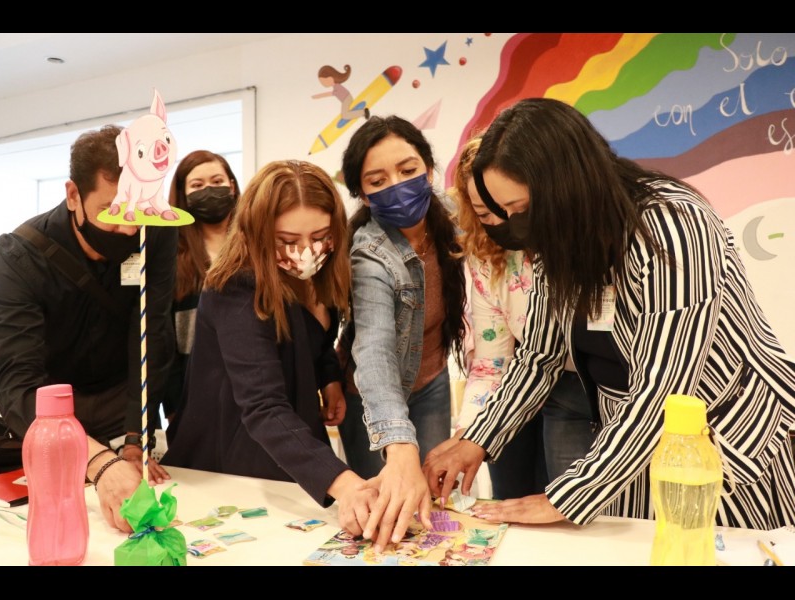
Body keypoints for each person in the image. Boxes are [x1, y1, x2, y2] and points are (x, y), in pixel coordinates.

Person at [424, 98, 795, 530]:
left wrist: (567, 496)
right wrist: (478, 437)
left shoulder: (673, 228)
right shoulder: (559, 237)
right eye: (504, 213)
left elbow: (662, 390)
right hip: (631, 444)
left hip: (722, 442)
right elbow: (540, 356)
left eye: (522, 209)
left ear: (567, 183)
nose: (516, 226)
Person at [161, 160, 375, 534]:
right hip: (235, 456)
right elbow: (262, 406)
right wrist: (345, 484)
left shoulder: (317, 272)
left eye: (320, 236)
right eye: (288, 241)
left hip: (293, 437)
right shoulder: (236, 287)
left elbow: (316, 339)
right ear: (258, 232)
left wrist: (329, 379)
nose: (306, 251)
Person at [0, 125, 177, 532]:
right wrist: (99, 462)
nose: (128, 229)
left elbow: (150, 333)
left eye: (137, 211)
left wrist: (135, 438)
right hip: (52, 406)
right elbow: (16, 384)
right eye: (112, 211)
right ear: (74, 195)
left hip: (120, 401)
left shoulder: (156, 233)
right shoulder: (16, 259)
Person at [428, 135, 594, 500]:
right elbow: (492, 362)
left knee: (567, 500)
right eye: (485, 214)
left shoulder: (570, 241)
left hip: (580, 387)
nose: (503, 222)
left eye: (511, 207)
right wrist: (468, 433)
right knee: (509, 498)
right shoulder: (487, 256)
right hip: (512, 385)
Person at [336, 115, 466, 549]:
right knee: (380, 511)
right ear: (363, 194)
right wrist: (397, 440)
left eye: (408, 170)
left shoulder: (454, 219)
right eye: (378, 180)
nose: (397, 185)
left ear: (428, 169)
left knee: (431, 505)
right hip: (370, 400)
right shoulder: (368, 254)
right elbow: (373, 350)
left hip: (431, 382)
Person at [162, 150, 240, 423]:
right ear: (183, 196)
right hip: (194, 392)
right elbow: (163, 337)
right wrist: (172, 405)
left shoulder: (256, 244)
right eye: (197, 185)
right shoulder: (170, 254)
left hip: (253, 382)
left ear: (232, 185)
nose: (209, 190)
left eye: (217, 181)